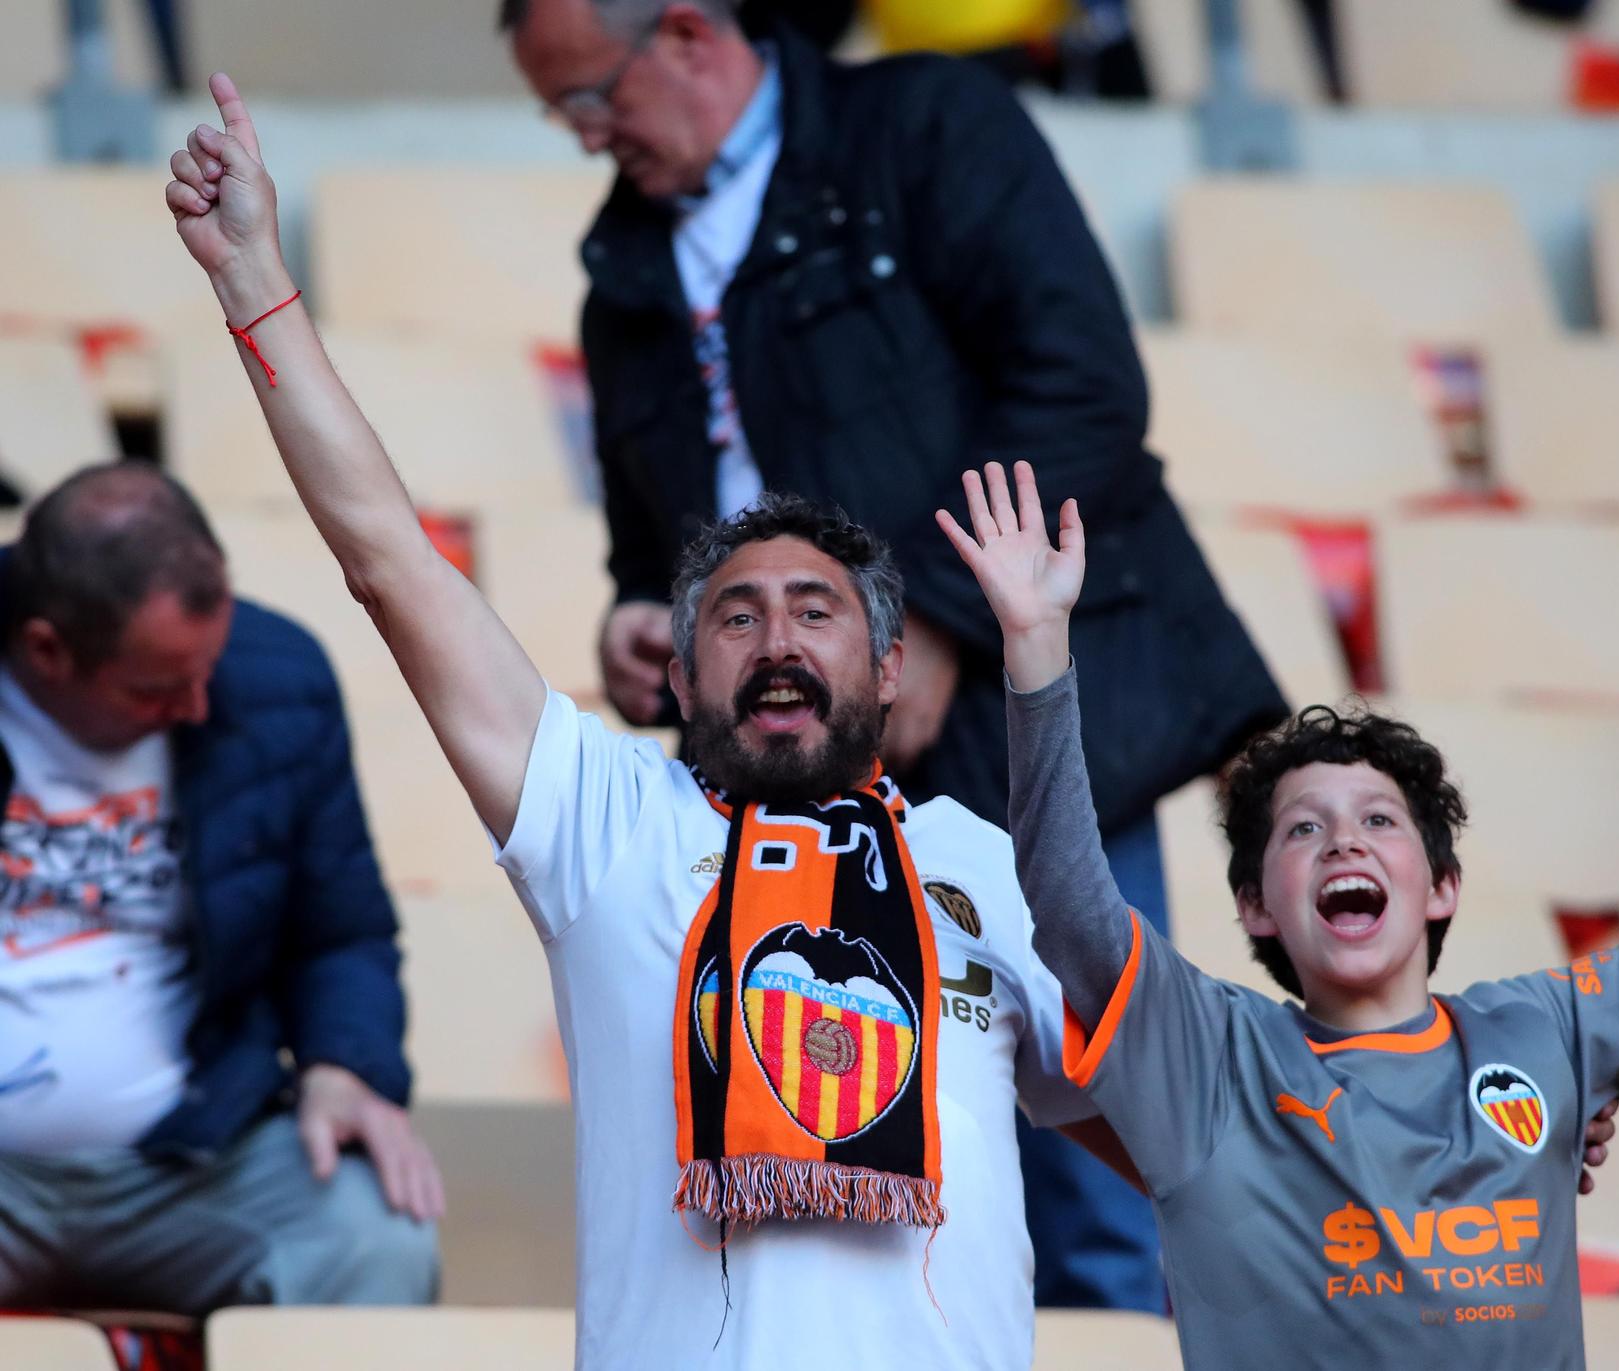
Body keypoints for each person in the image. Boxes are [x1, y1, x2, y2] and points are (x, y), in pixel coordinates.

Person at [162, 77, 1148, 1369]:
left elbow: (1176, 1133)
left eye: (816, 610)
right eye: (735, 617)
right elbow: (392, 560)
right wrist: (252, 285)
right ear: (677, 678)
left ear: (896, 666)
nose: (780, 638)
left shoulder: (988, 863)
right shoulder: (605, 822)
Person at [503, 0, 1287, 1309]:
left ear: (687, 35)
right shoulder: (623, 271)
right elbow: (650, 542)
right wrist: (642, 614)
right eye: (564, 114)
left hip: (1036, 745)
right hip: (795, 795)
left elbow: (1085, 389)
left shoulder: (925, 123)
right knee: (833, 1200)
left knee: (1109, 1181)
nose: (589, 139)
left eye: (592, 98)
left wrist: (931, 616)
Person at [939, 460, 1619, 1367]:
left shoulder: (1550, 1030)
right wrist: (1037, 644)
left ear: (1441, 884)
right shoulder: (1204, 1056)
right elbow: (1064, 893)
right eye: (1302, 830)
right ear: (1254, 905)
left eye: (1378, 819)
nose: (1344, 843)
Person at [0, 462, 440, 1315]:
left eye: (210, 666)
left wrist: (344, 1062)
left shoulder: (276, 679)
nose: (202, 705)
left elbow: (339, 933)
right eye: (158, 687)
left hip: (199, 1154)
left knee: (375, 1239)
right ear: (47, 649)